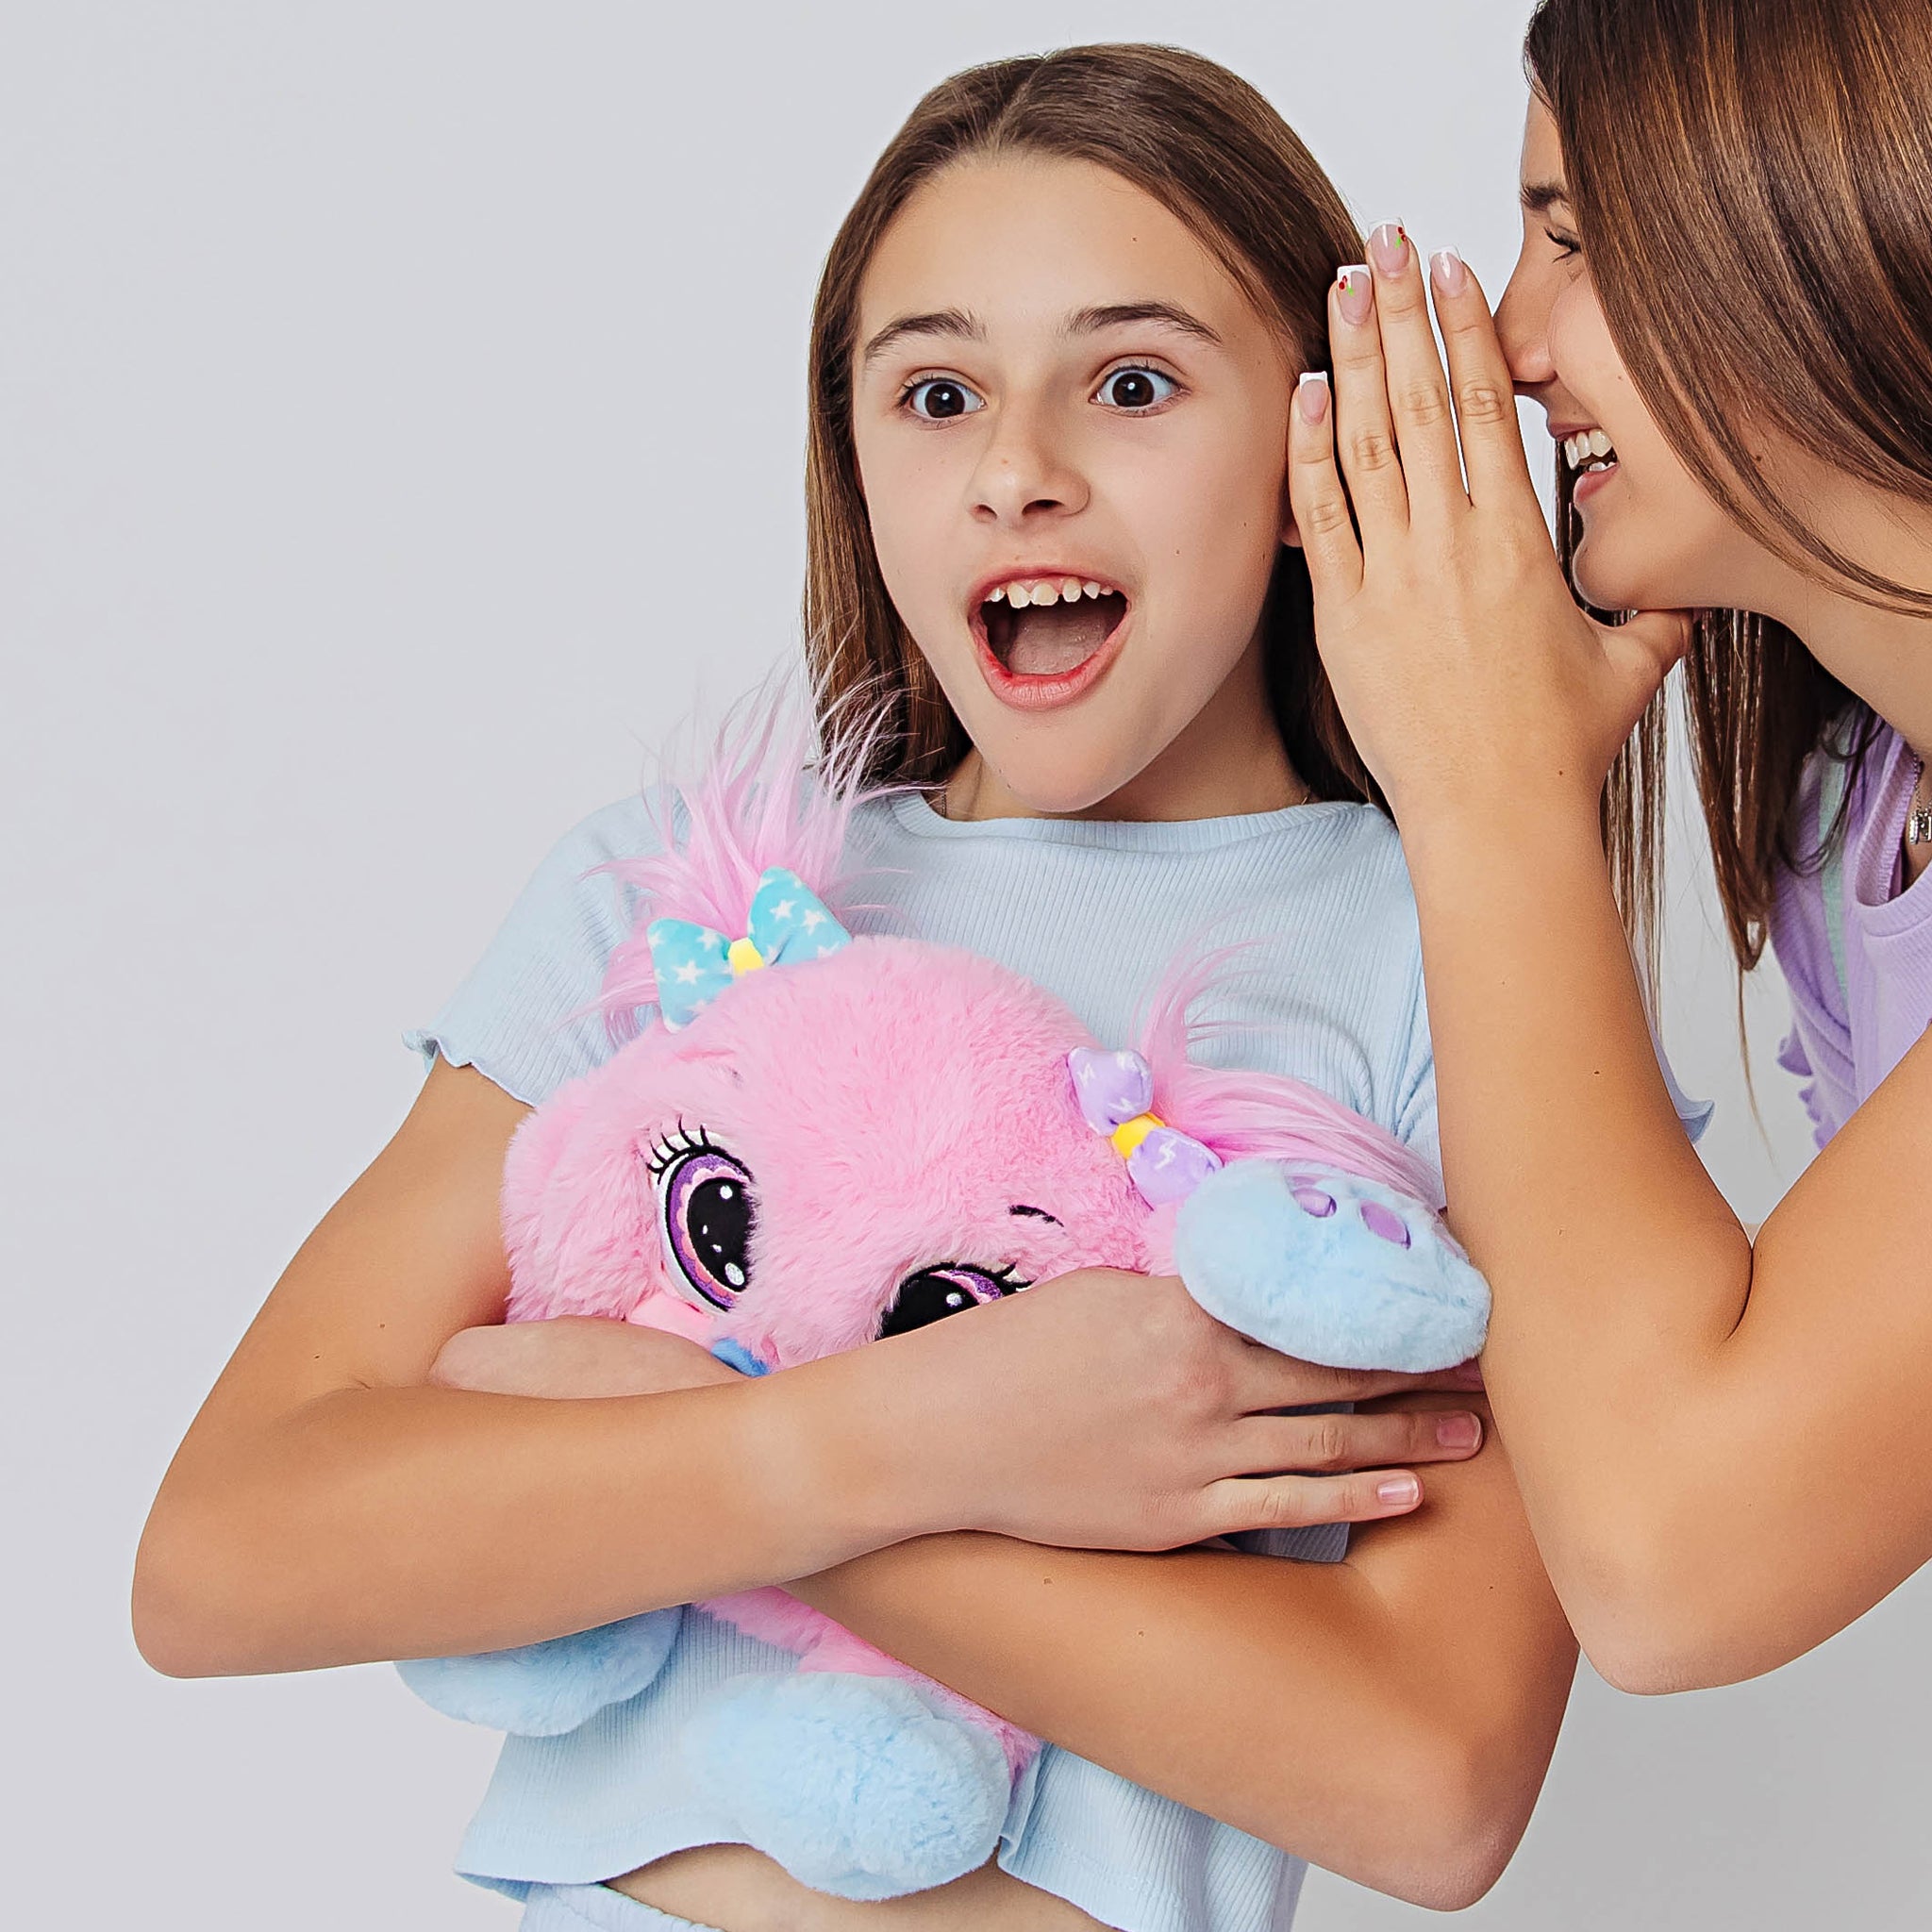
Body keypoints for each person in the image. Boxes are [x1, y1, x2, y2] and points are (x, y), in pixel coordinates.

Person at [134, 45, 1579, 1932]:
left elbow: (1433, 1779)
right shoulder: (677, 892)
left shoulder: (1453, 947)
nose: (1016, 471)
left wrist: (692, 1448)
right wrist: (899, 1440)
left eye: (1132, 384)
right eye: (936, 394)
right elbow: (226, 1554)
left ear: (1315, 455)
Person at [1286, 0, 1932, 1697]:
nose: (1511, 342)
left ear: (1822, 216)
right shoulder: (1858, 812)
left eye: (1572, 239)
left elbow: (1667, 1565)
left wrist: (1488, 784)